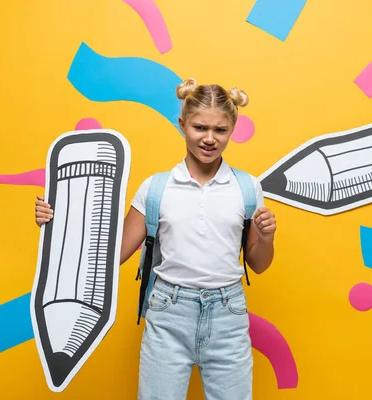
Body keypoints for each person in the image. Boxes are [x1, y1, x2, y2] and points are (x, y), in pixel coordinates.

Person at [34, 77, 277, 399]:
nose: (209, 139)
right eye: (199, 128)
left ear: (233, 129)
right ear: (182, 124)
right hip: (168, 311)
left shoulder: (247, 188)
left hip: (228, 314)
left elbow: (258, 265)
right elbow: (108, 255)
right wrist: (58, 225)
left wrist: (267, 236)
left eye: (220, 130)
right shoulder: (156, 188)